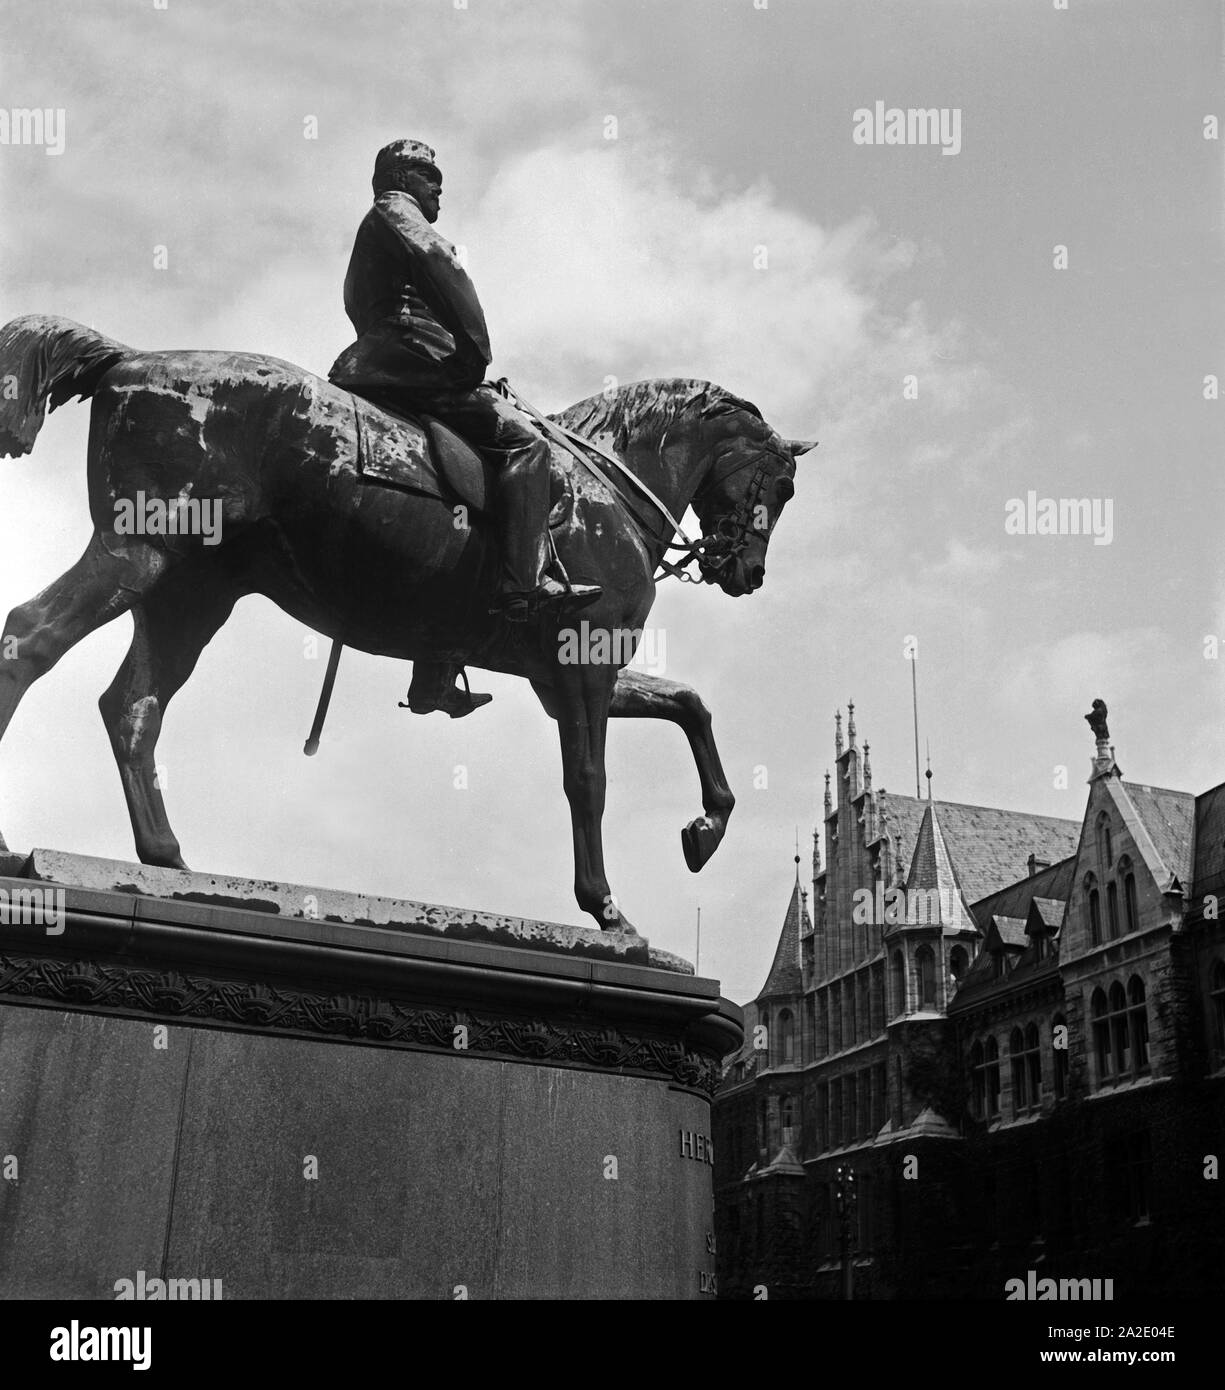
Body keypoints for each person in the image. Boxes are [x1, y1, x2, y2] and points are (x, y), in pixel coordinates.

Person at [329, 138, 600, 716]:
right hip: (406, 364)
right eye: (431, 178)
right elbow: (441, 264)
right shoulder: (393, 209)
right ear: (401, 176)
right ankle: (525, 587)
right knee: (526, 443)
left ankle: (435, 669)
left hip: (397, 365)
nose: (439, 191)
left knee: (455, 503)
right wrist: (474, 350)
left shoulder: (377, 230)